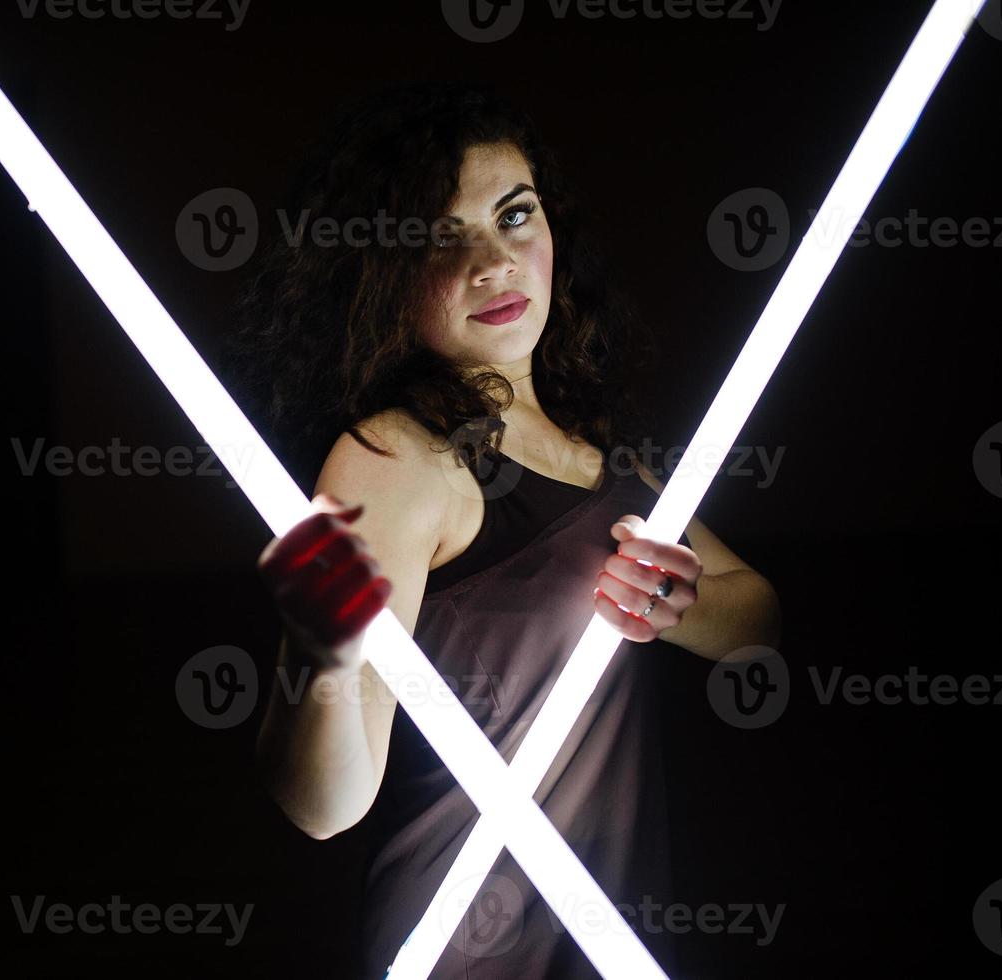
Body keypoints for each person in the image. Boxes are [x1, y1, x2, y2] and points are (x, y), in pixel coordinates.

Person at [226, 81, 782, 978]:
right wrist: (319, 654)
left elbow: (757, 619)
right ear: (379, 272)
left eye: (513, 215)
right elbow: (326, 804)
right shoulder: (397, 457)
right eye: (443, 238)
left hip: (612, 940)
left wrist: (679, 606)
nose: (494, 261)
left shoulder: (587, 447)